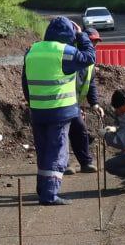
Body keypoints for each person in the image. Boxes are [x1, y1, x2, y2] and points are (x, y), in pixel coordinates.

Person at [21, 16, 96, 205]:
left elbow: (25, 81)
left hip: (38, 110)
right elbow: (90, 57)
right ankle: (50, 195)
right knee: (57, 153)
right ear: (68, 35)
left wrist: (32, 103)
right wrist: (81, 36)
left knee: (44, 151)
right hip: (60, 112)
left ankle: (42, 190)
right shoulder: (65, 52)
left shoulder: (32, 51)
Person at [65, 27, 104, 174]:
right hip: (63, 102)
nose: (94, 45)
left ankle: (85, 163)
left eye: (96, 42)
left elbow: (90, 83)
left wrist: (94, 103)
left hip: (73, 104)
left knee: (79, 130)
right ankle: (65, 164)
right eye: (92, 41)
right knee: (64, 132)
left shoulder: (89, 61)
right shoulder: (71, 57)